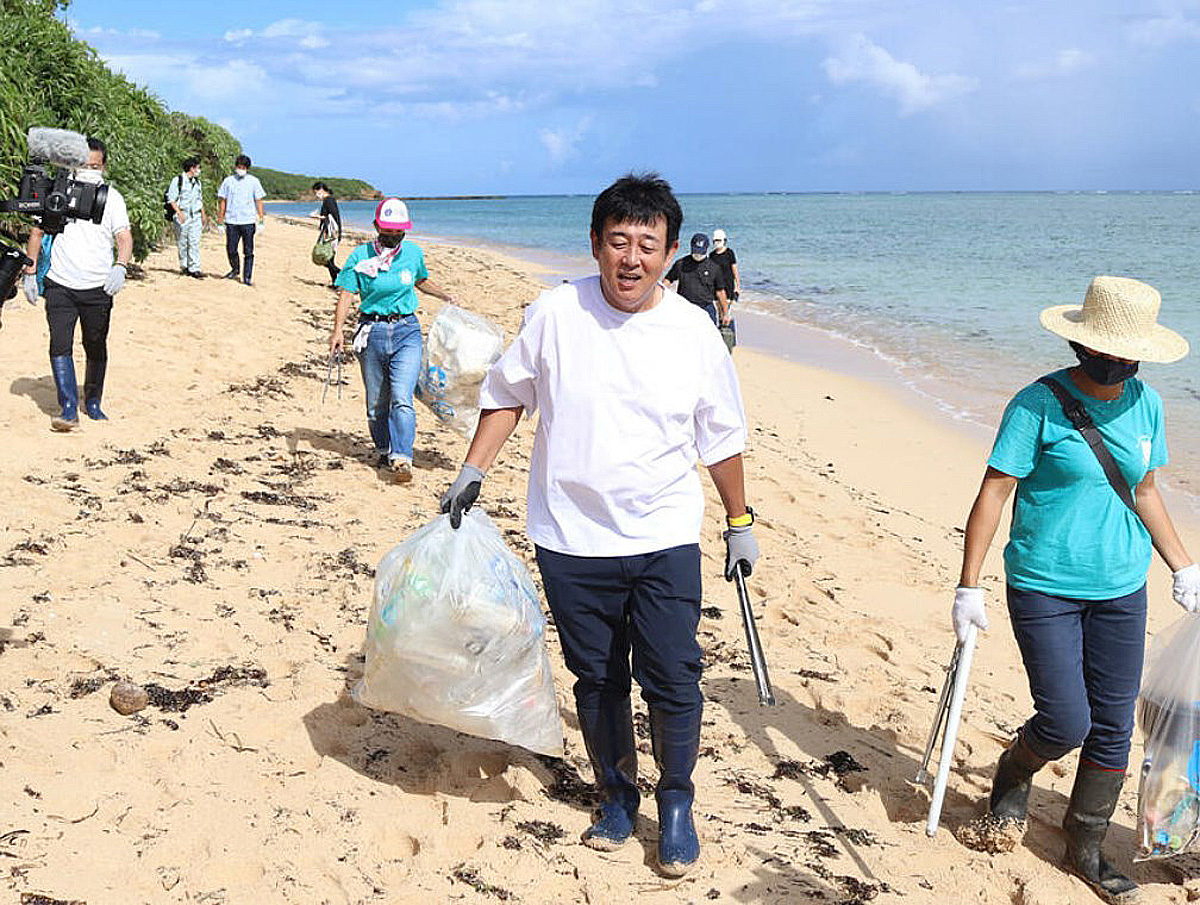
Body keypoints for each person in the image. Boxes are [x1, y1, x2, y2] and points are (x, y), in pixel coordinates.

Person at [439, 173, 759, 878]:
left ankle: (675, 802)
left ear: (671, 252)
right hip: (569, 534)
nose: (631, 259)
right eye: (619, 241)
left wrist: (739, 520)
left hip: (664, 535)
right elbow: (506, 395)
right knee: (597, 677)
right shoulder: (556, 313)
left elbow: (721, 433)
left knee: (674, 676)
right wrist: (473, 470)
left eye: (648, 244)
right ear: (594, 245)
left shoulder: (693, 330)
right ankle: (617, 795)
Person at [952, 276, 1198, 901]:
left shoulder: (1147, 404)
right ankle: (1015, 769)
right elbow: (993, 493)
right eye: (1106, 354)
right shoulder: (1035, 405)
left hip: (1120, 586)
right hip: (1044, 585)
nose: (1118, 366)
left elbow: (1144, 491)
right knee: (1066, 720)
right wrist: (968, 586)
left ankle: (1084, 843)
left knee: (1113, 724)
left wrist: (1183, 568)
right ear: (1080, 346)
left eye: (1128, 356)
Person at [328, 198, 453, 484]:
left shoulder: (412, 253)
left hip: (407, 330)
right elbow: (347, 294)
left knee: (401, 397)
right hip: (371, 333)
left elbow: (420, 280)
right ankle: (384, 449)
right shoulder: (359, 257)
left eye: (399, 232)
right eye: (388, 231)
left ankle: (402, 458)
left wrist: (444, 295)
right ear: (376, 227)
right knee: (376, 404)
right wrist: (337, 331)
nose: (393, 237)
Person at [21, 137, 131, 431]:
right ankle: (68, 407)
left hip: (98, 287)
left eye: (94, 166)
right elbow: (36, 233)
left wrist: (120, 267)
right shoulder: (57, 194)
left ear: (104, 167)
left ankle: (93, 402)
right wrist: (30, 274)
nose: (88, 171)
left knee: (94, 344)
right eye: (83, 165)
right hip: (60, 284)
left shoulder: (113, 199)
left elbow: (124, 238)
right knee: (60, 343)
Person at [216, 154, 265, 286]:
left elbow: (259, 200)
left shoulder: (254, 181)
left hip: (248, 221)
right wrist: (220, 221)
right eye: (239, 167)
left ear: (247, 168)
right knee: (231, 249)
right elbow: (222, 201)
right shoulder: (228, 181)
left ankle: (247, 276)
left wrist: (261, 220)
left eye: (243, 167)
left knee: (248, 251)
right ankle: (235, 269)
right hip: (232, 221)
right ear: (235, 167)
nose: (241, 169)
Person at [664, 232, 729, 327]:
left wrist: (725, 313)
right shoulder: (681, 264)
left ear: (706, 249)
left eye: (700, 251)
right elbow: (668, 280)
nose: (698, 254)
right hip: (684, 307)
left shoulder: (714, 268)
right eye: (696, 251)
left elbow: (720, 292)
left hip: (706, 308)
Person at [166, 156, 206, 278]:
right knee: (182, 242)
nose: (199, 170)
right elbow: (171, 199)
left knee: (194, 241)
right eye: (198, 167)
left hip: (196, 216)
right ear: (192, 168)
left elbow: (200, 199)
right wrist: (179, 212)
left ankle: (195, 268)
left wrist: (203, 214)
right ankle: (184, 266)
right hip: (182, 215)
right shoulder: (178, 180)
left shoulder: (197, 182)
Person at [310, 181, 342, 285]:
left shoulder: (329, 200)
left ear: (321, 190)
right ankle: (335, 283)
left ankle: (342, 275)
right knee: (329, 258)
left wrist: (316, 217)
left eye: (316, 192)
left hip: (332, 234)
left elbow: (331, 217)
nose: (316, 195)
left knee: (327, 258)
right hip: (331, 233)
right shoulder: (328, 200)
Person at [709, 228, 740, 304]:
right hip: (716, 288)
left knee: (726, 311)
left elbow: (735, 271)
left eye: (719, 240)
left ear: (724, 241)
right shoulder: (711, 255)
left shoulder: (729, 253)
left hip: (728, 287)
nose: (717, 242)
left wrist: (737, 287)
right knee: (718, 311)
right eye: (715, 240)